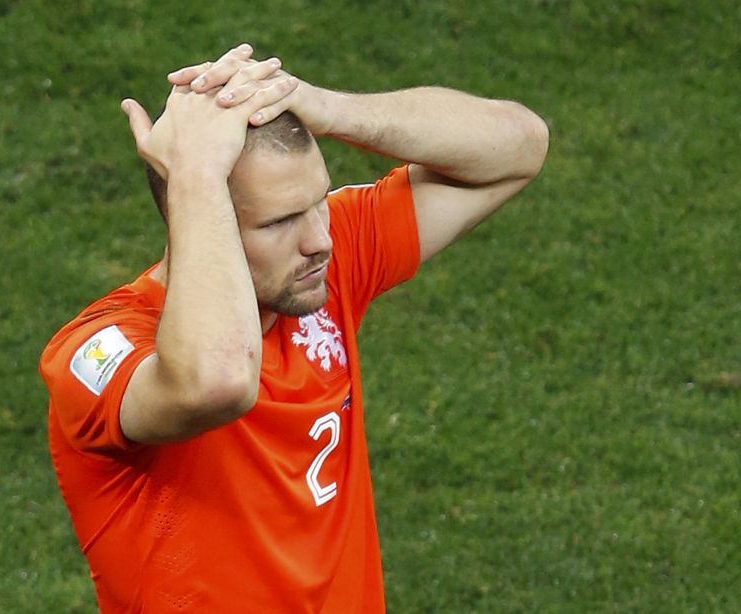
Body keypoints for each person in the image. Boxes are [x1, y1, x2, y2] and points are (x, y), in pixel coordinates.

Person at [40, 43, 548, 612]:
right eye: (281, 220)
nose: (320, 241)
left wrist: (325, 108)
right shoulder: (97, 348)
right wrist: (196, 173)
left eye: (317, 203)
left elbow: (518, 146)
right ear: (197, 210)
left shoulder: (325, 266)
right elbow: (220, 381)